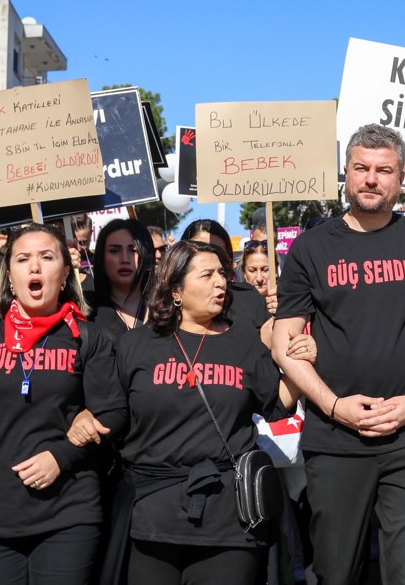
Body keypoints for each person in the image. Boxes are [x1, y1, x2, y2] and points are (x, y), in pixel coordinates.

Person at [272, 124, 405, 585]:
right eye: (361, 168)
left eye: (383, 170)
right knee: (335, 572)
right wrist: (334, 406)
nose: (371, 179)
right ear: (346, 173)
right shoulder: (310, 247)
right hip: (335, 439)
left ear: (401, 177)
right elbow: (285, 341)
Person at [115, 240, 307, 585]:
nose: (221, 281)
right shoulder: (136, 344)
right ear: (176, 289)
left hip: (229, 522)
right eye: (207, 274)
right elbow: (115, 415)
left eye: (222, 273)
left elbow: (275, 405)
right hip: (151, 517)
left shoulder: (244, 342)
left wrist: (299, 362)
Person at [0, 224, 126, 585]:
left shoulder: (87, 336)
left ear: (65, 274)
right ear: (10, 277)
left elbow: (114, 412)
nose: (34, 267)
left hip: (68, 510)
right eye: (23, 259)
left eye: (47, 257)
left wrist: (62, 455)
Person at [181, 220, 266, 331]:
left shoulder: (250, 299)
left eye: (218, 251)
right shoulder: (165, 307)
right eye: (201, 248)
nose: (210, 256)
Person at [89, 219, 156, 341]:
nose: (125, 259)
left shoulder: (166, 308)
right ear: (101, 259)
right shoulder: (88, 311)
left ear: (147, 257)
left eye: (133, 250)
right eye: (115, 251)